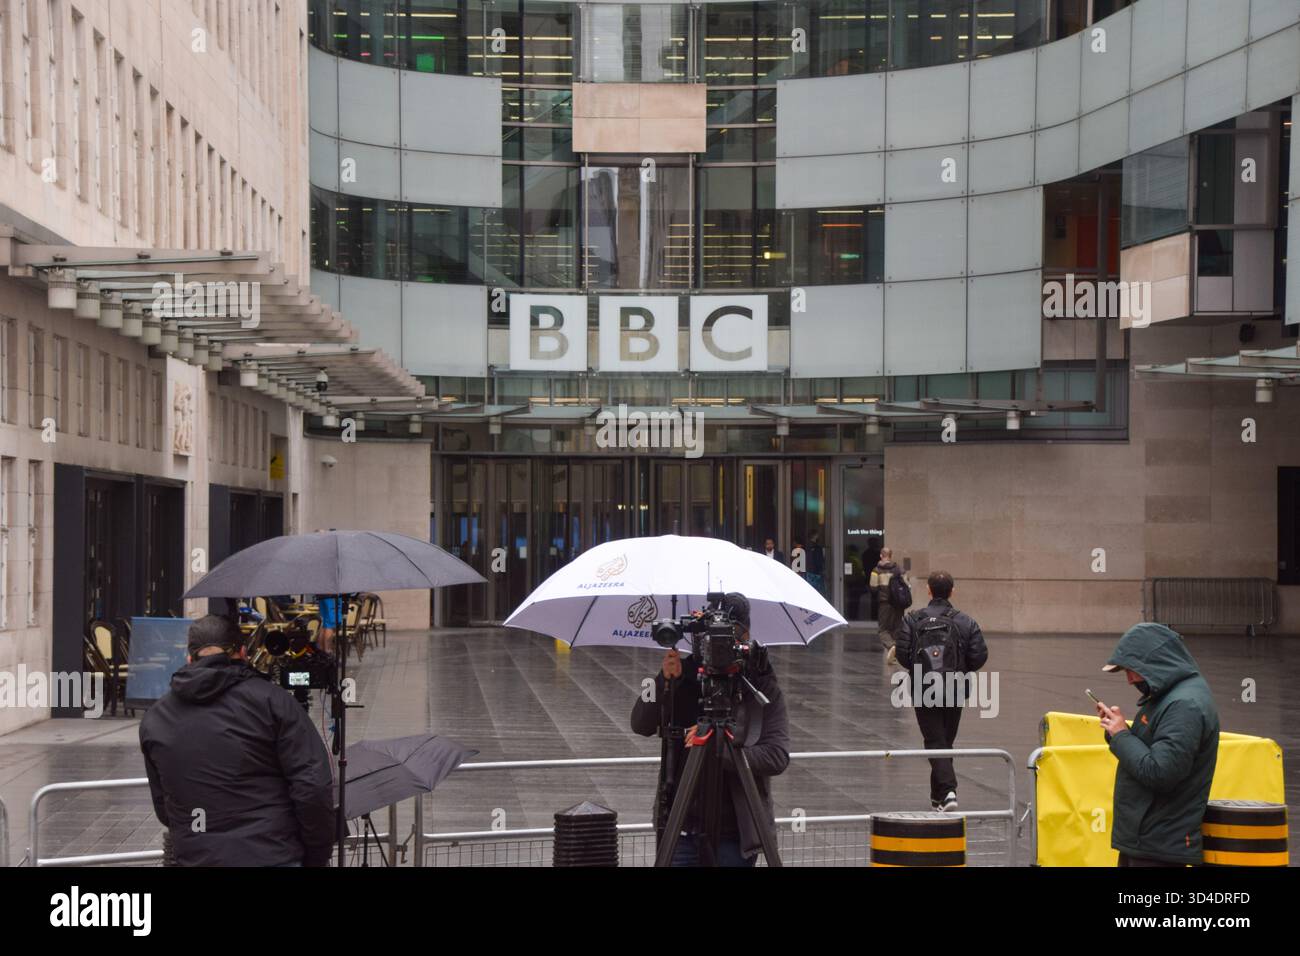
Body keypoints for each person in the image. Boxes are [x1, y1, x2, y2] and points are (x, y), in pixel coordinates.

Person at [139, 614, 335, 866]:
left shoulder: (155, 718)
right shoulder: (273, 702)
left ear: (189, 658)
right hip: (272, 855)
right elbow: (312, 787)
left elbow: (164, 805)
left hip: (198, 856)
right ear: (243, 653)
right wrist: (317, 854)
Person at [630, 593, 790, 867]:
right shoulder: (683, 673)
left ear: (745, 636)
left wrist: (719, 747)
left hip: (736, 834)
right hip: (681, 827)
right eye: (710, 635)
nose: (716, 645)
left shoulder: (762, 686)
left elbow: (777, 756)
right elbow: (640, 723)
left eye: (729, 636)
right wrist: (661, 681)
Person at [1096, 622, 1220, 867]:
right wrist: (1117, 732)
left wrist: (1122, 736)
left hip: (1159, 843)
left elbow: (1161, 772)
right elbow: (1153, 752)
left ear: (1156, 662)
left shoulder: (1184, 705)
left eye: (1132, 670)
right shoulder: (1171, 695)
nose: (1130, 680)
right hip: (1150, 839)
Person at [894, 571, 987, 812]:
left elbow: (904, 656)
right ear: (952, 591)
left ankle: (947, 792)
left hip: (923, 688)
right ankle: (938, 797)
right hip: (955, 687)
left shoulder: (912, 619)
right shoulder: (966, 621)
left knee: (936, 741)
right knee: (944, 741)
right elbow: (978, 657)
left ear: (928, 590)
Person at [870, 548, 903, 663]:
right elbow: (906, 585)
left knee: (883, 629)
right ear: (891, 555)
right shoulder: (899, 569)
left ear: (881, 555)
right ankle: (895, 655)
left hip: (884, 603)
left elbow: (873, 588)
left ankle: (891, 646)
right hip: (898, 603)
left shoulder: (876, 570)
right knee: (896, 628)